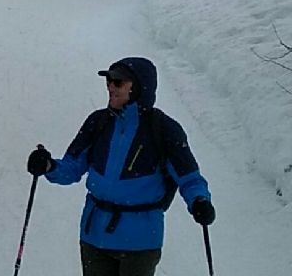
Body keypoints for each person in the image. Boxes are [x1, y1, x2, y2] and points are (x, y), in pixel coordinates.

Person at [24, 57, 215, 276]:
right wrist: (48, 166)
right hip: (94, 237)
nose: (110, 87)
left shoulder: (163, 129)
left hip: (140, 242)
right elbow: (72, 168)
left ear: (138, 87)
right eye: (108, 82)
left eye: (118, 82)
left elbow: (189, 178)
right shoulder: (98, 122)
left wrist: (199, 201)